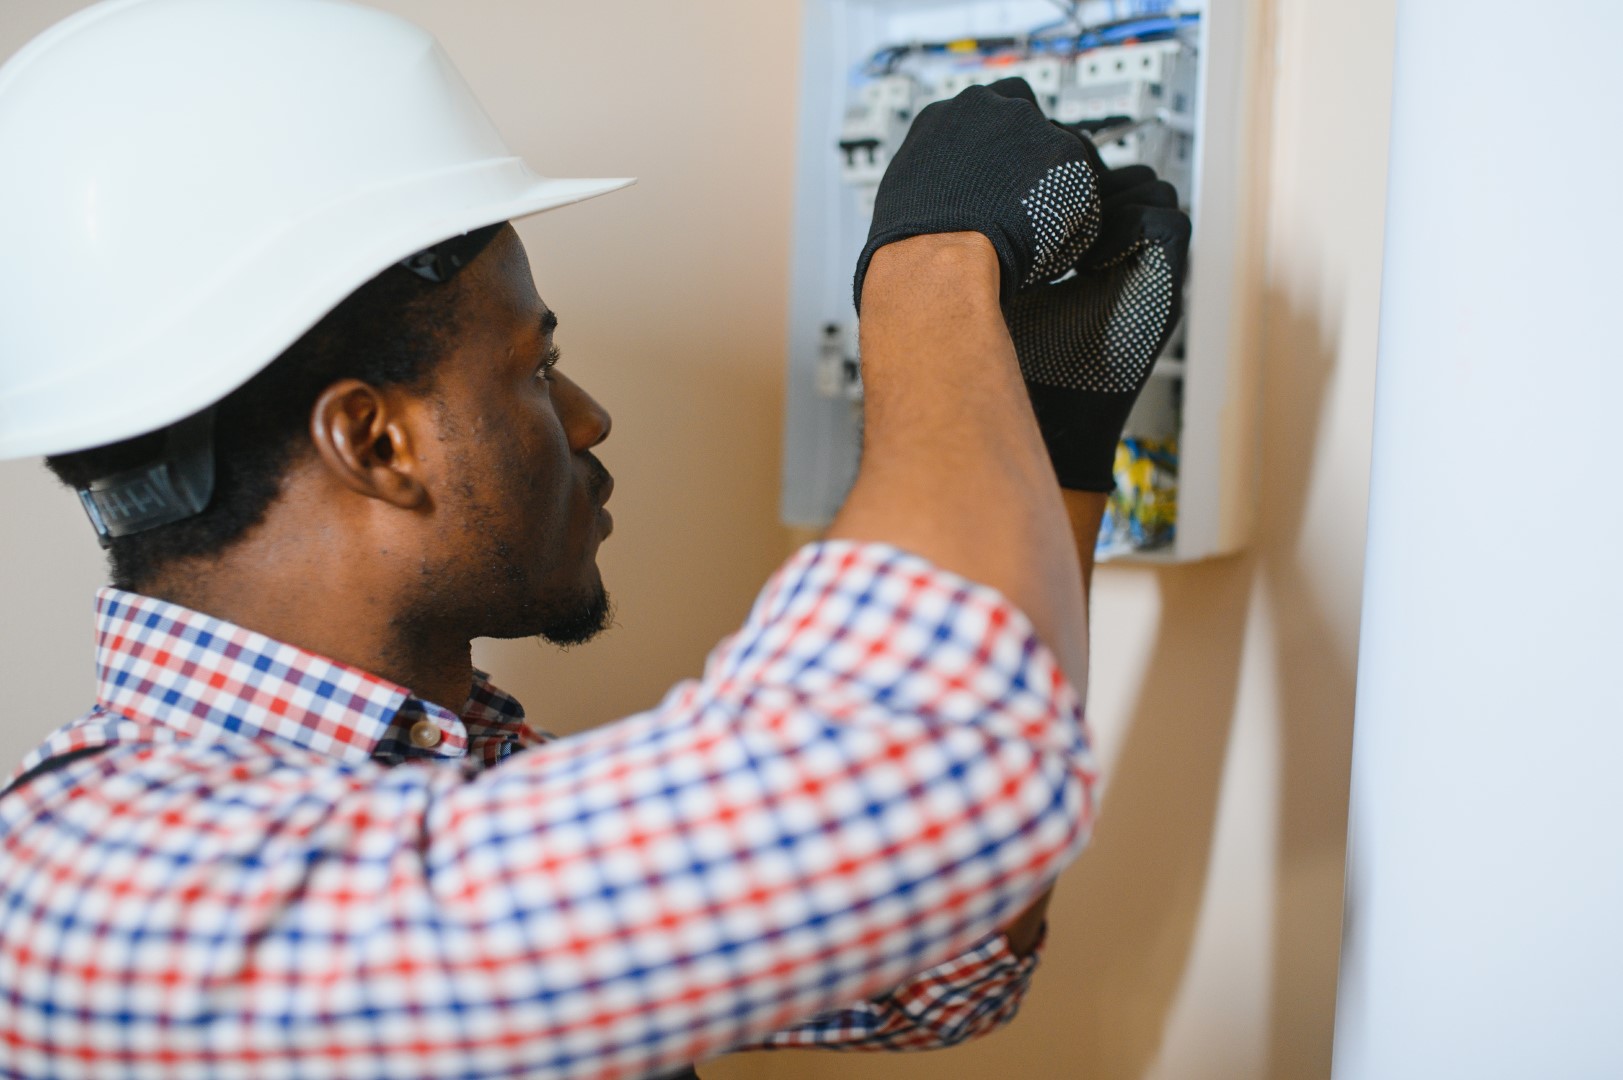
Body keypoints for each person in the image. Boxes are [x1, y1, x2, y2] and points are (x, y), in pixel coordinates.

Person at [0, 2, 1187, 1078]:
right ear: (374, 442)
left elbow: (946, 945)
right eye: (535, 368)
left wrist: (1048, 440)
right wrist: (928, 278)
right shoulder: (90, 891)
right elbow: (921, 771)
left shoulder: (466, 782)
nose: (586, 419)